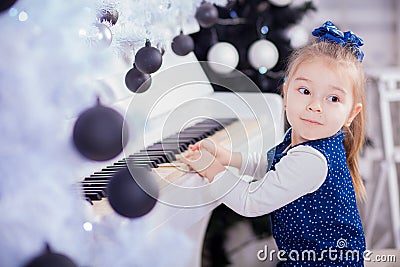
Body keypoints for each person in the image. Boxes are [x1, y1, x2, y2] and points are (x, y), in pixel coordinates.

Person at [180, 21, 367, 266]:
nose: (315, 105)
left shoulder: (312, 159)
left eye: (333, 98)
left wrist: (212, 169)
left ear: (351, 114)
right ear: (286, 94)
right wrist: (229, 157)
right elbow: (274, 168)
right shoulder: (302, 140)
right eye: (305, 91)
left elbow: (250, 202)